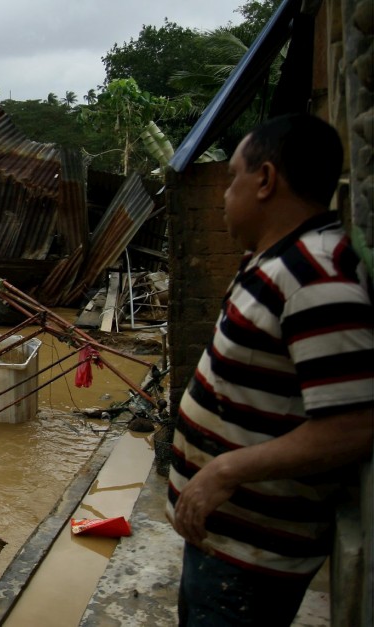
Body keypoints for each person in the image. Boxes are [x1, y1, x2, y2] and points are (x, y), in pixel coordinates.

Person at [167, 113, 374, 626]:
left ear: (265, 180)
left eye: (233, 176)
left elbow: (354, 425)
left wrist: (226, 470)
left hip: (251, 560)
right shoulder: (271, 261)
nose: (223, 193)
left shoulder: (315, 280)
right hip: (225, 541)